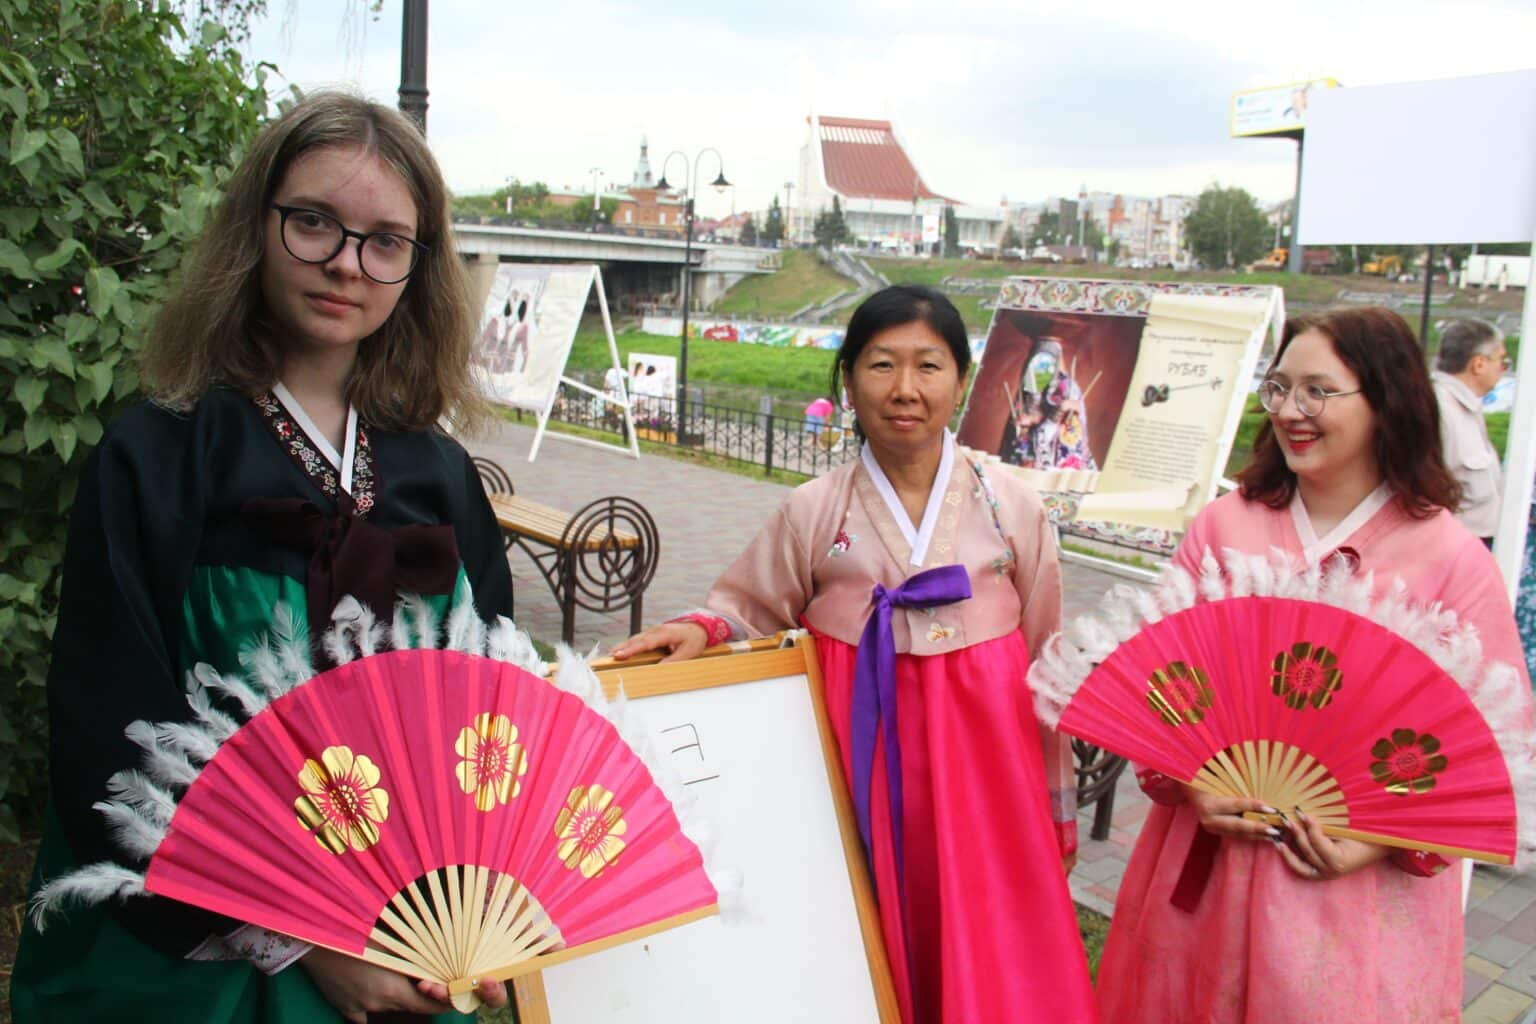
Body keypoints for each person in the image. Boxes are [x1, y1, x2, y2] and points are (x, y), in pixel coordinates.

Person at [10, 92, 514, 1023]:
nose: (346, 264)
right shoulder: (158, 456)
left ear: (419, 265)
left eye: (386, 241)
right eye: (313, 222)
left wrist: (463, 918)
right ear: (256, 224)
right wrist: (300, 938)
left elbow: (492, 717)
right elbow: (111, 727)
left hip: (404, 939)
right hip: (200, 953)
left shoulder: (440, 476)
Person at [612, 285, 1096, 1024]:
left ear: (961, 380)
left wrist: (1055, 801)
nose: (905, 389)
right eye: (881, 364)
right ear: (848, 378)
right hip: (859, 769)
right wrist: (704, 629)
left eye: (928, 365)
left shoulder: (1012, 506)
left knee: (990, 952)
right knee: (863, 938)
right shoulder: (814, 510)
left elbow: (1047, 663)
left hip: (987, 779)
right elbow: (748, 605)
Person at [1095, 307, 1533, 1024]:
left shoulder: (1451, 560)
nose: (1291, 411)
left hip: (1354, 898)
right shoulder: (1226, 525)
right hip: (1206, 866)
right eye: (1279, 388)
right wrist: (1193, 781)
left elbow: (1486, 753)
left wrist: (1373, 840)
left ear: (1386, 399)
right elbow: (1159, 685)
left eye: (1318, 391)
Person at [1432, 317, 1508, 546]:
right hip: (1451, 547)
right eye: (1502, 360)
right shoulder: (1438, 410)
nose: (1503, 369)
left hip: (1474, 544)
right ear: (1479, 364)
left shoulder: (1464, 407)